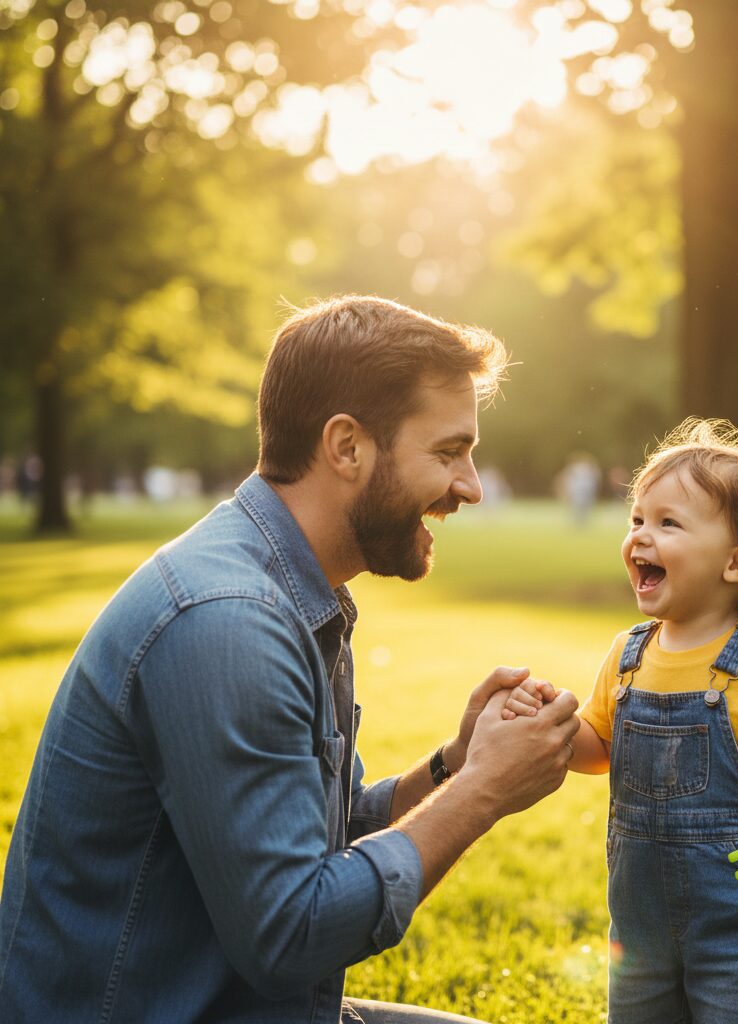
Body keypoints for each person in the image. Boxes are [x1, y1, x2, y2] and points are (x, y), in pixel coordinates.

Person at [0, 296, 580, 1023]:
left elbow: (319, 843)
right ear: (346, 448)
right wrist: (485, 791)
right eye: (447, 452)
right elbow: (290, 935)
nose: (470, 486)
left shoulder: (294, 589)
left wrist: (452, 768)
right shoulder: (228, 622)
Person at [502, 418, 738, 1024]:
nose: (641, 536)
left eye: (669, 523)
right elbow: (601, 747)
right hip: (638, 931)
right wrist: (555, 724)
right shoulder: (629, 653)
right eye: (637, 519)